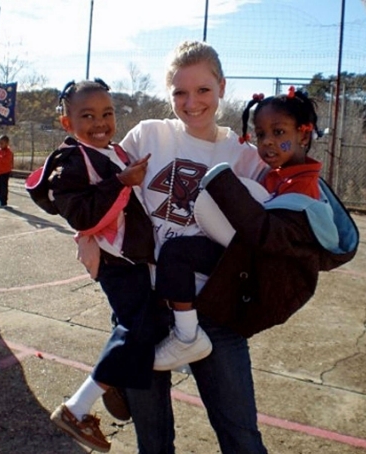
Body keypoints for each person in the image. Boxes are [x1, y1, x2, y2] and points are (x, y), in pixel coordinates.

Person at [78, 40, 270, 454]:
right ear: (169, 94)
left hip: (214, 311)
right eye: (180, 92)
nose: (192, 102)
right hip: (145, 309)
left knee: (241, 435)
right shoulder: (149, 134)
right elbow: (97, 186)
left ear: (221, 86)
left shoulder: (246, 158)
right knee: (154, 440)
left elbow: (278, 220)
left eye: (203, 89)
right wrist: (84, 235)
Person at [152, 86, 325, 371]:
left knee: (176, 253)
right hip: (250, 256)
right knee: (176, 254)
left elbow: (273, 236)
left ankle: (186, 337)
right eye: (260, 134)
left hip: (260, 270)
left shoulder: (302, 186)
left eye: (279, 133)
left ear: (303, 135)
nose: (268, 142)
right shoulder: (276, 175)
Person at [26, 79, 155, 453]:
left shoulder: (112, 150)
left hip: (132, 257)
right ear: (67, 123)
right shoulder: (69, 163)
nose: (100, 122)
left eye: (107, 113)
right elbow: (81, 216)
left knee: (145, 324)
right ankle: (77, 407)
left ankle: (116, 377)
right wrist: (121, 182)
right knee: (138, 326)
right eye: (87, 116)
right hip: (116, 261)